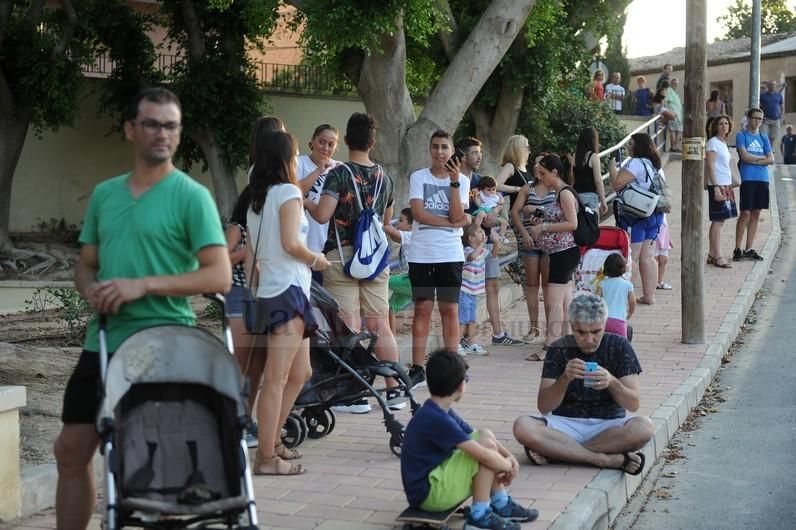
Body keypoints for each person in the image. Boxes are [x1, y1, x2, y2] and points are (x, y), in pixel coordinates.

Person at [54, 88, 231, 529]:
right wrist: (91, 289)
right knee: (70, 451)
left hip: (167, 346)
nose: (162, 134)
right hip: (105, 342)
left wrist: (144, 285)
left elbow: (218, 275)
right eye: (152, 124)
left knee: (157, 466)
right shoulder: (104, 195)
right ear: (131, 130)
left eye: (171, 126)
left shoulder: (192, 196)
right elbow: (86, 266)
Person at [246, 130, 330, 475]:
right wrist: (316, 259)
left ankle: (274, 439)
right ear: (285, 159)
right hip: (288, 289)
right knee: (277, 379)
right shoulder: (288, 192)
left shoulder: (256, 198)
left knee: (300, 372)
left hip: (274, 289)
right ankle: (266, 456)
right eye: (295, 155)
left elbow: (253, 251)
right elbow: (290, 244)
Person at [307, 112, 401, 412]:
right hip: (374, 258)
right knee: (380, 325)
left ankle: (354, 393)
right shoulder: (385, 177)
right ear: (373, 142)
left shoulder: (339, 173)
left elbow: (322, 215)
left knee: (347, 325)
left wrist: (304, 199)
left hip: (342, 256)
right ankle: (395, 389)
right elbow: (386, 220)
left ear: (346, 140)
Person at [513, 293, 654, 474]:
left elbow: (633, 404)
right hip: (564, 424)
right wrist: (564, 379)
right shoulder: (559, 348)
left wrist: (612, 382)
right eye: (581, 333)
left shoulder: (619, 346)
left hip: (608, 424)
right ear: (572, 326)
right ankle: (602, 459)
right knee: (522, 427)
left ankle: (556, 453)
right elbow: (544, 406)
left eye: (596, 332)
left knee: (644, 428)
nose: (589, 340)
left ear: (604, 325)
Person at [401, 349, 539, 530]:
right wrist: (508, 467)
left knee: (485, 436)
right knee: (485, 453)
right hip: (429, 496)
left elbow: (478, 433)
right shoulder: (436, 418)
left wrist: (509, 457)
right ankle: (479, 517)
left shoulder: (438, 409)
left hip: (431, 483)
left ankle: (501, 503)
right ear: (460, 385)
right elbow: (486, 455)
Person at [406, 130, 471, 389]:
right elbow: (419, 214)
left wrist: (454, 182)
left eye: (445, 147)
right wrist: (453, 222)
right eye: (435, 146)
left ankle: (453, 367)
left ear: (452, 149)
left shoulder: (463, 180)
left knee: (449, 310)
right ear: (429, 149)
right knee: (422, 308)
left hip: (450, 254)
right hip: (421, 253)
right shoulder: (418, 177)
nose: (440, 152)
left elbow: (459, 213)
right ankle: (417, 367)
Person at [457, 137, 523, 346]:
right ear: (462, 155)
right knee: (464, 290)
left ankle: (498, 333)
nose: (479, 156)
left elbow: (497, 200)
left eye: (480, 152)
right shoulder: (454, 180)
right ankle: (464, 336)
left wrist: (494, 211)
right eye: (474, 152)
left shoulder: (481, 180)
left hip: (485, 240)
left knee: (492, 285)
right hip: (464, 244)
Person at [527, 154, 581, 348]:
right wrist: (541, 219)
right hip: (561, 253)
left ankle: (552, 344)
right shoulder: (561, 192)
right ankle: (564, 341)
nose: (540, 178)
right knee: (563, 301)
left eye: (543, 173)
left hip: (564, 252)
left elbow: (572, 223)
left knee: (554, 301)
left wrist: (543, 228)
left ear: (555, 172)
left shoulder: (564, 193)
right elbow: (560, 217)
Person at [224, 185, 260, 447]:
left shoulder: (264, 228)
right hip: (238, 294)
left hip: (260, 296)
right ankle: (235, 420)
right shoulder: (239, 227)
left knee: (255, 364)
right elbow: (220, 259)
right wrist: (247, 252)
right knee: (241, 361)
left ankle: (247, 418)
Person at [612, 133, 665, 305]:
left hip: (637, 216)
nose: (628, 147)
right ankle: (650, 296)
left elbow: (617, 184)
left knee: (632, 256)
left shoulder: (636, 163)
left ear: (638, 146)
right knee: (648, 257)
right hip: (655, 214)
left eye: (631, 144)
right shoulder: (655, 164)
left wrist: (613, 168)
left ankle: (627, 298)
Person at [511, 152, 556, 353]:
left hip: (548, 245)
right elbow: (514, 212)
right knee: (531, 287)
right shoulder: (526, 188)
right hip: (530, 244)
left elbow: (559, 214)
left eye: (542, 165)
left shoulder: (555, 189)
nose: (538, 168)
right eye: (536, 164)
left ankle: (549, 331)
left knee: (548, 288)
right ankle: (533, 327)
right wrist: (523, 233)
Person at [297, 124, 340, 284]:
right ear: (312, 142)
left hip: (328, 247)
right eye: (321, 142)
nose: (325, 148)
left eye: (331, 144)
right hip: (303, 244)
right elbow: (294, 191)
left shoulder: (339, 168)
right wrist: (319, 171)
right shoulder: (298, 163)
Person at [734, 107, 774, 262]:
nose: (758, 121)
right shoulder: (741, 135)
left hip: (763, 179)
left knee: (756, 213)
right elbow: (744, 157)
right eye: (755, 118)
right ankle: (737, 248)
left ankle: (749, 248)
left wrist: (754, 159)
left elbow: (771, 159)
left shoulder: (764, 137)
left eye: (760, 119)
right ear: (749, 119)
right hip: (748, 178)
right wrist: (761, 159)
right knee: (745, 213)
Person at [705, 115, 737, 269]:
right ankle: (717, 256)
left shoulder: (723, 143)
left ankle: (712, 254)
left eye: (726, 123)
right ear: (715, 126)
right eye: (720, 123)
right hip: (718, 185)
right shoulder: (713, 143)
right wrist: (716, 187)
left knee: (720, 221)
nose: (724, 126)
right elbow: (710, 165)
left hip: (726, 184)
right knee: (718, 221)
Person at [458, 223, 490, 356]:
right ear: (471, 238)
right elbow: (472, 257)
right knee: (462, 319)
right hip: (464, 290)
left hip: (474, 292)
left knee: (472, 319)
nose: (483, 233)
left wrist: (497, 240)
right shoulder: (466, 251)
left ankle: (471, 343)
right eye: (480, 232)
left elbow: (493, 254)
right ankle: (457, 343)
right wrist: (482, 244)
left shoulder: (482, 251)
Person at [384, 207, 414, 333]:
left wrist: (385, 223)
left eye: (401, 221)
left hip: (411, 281)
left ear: (411, 226)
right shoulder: (407, 237)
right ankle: (392, 339)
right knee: (390, 308)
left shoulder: (412, 235)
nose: (398, 223)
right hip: (411, 285)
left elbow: (392, 232)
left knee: (381, 280)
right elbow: (394, 238)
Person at [595, 254, 635, 339]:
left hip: (604, 320)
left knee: (603, 343)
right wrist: (630, 312)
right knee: (621, 345)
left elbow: (596, 301)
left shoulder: (602, 284)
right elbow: (632, 302)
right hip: (619, 320)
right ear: (623, 268)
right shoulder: (627, 285)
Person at [573, 127, 610, 215]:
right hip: (590, 195)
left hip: (576, 195)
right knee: (591, 225)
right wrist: (603, 201)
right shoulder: (593, 157)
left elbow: (573, 177)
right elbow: (598, 180)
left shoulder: (574, 156)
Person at [495, 134, 531, 212]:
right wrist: (517, 189)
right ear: (519, 149)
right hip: (518, 215)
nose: (529, 151)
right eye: (527, 148)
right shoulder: (510, 166)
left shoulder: (525, 169)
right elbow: (496, 185)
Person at [472, 175, 510, 243]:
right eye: (489, 190)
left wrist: (500, 197)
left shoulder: (496, 195)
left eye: (493, 189)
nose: (492, 192)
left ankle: (501, 237)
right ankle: (475, 230)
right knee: (481, 214)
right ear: (482, 189)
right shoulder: (481, 195)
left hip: (494, 214)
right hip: (484, 210)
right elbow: (479, 204)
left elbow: (501, 202)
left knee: (504, 222)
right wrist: (475, 198)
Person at [759, 80, 784, 152]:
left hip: (776, 119)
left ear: (775, 86)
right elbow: (759, 106)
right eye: (771, 85)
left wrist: (781, 115)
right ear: (768, 86)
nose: (772, 86)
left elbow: (782, 106)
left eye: (774, 85)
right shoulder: (762, 96)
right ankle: (764, 151)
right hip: (765, 119)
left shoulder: (778, 95)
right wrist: (760, 116)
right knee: (763, 135)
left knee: (773, 137)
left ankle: (770, 151)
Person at [665, 78, 683, 152]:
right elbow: (666, 101)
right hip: (673, 114)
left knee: (679, 130)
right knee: (673, 130)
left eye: (677, 84)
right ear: (671, 83)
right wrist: (668, 112)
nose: (676, 85)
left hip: (678, 115)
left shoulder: (675, 93)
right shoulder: (669, 90)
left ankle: (676, 146)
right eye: (674, 83)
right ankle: (673, 147)